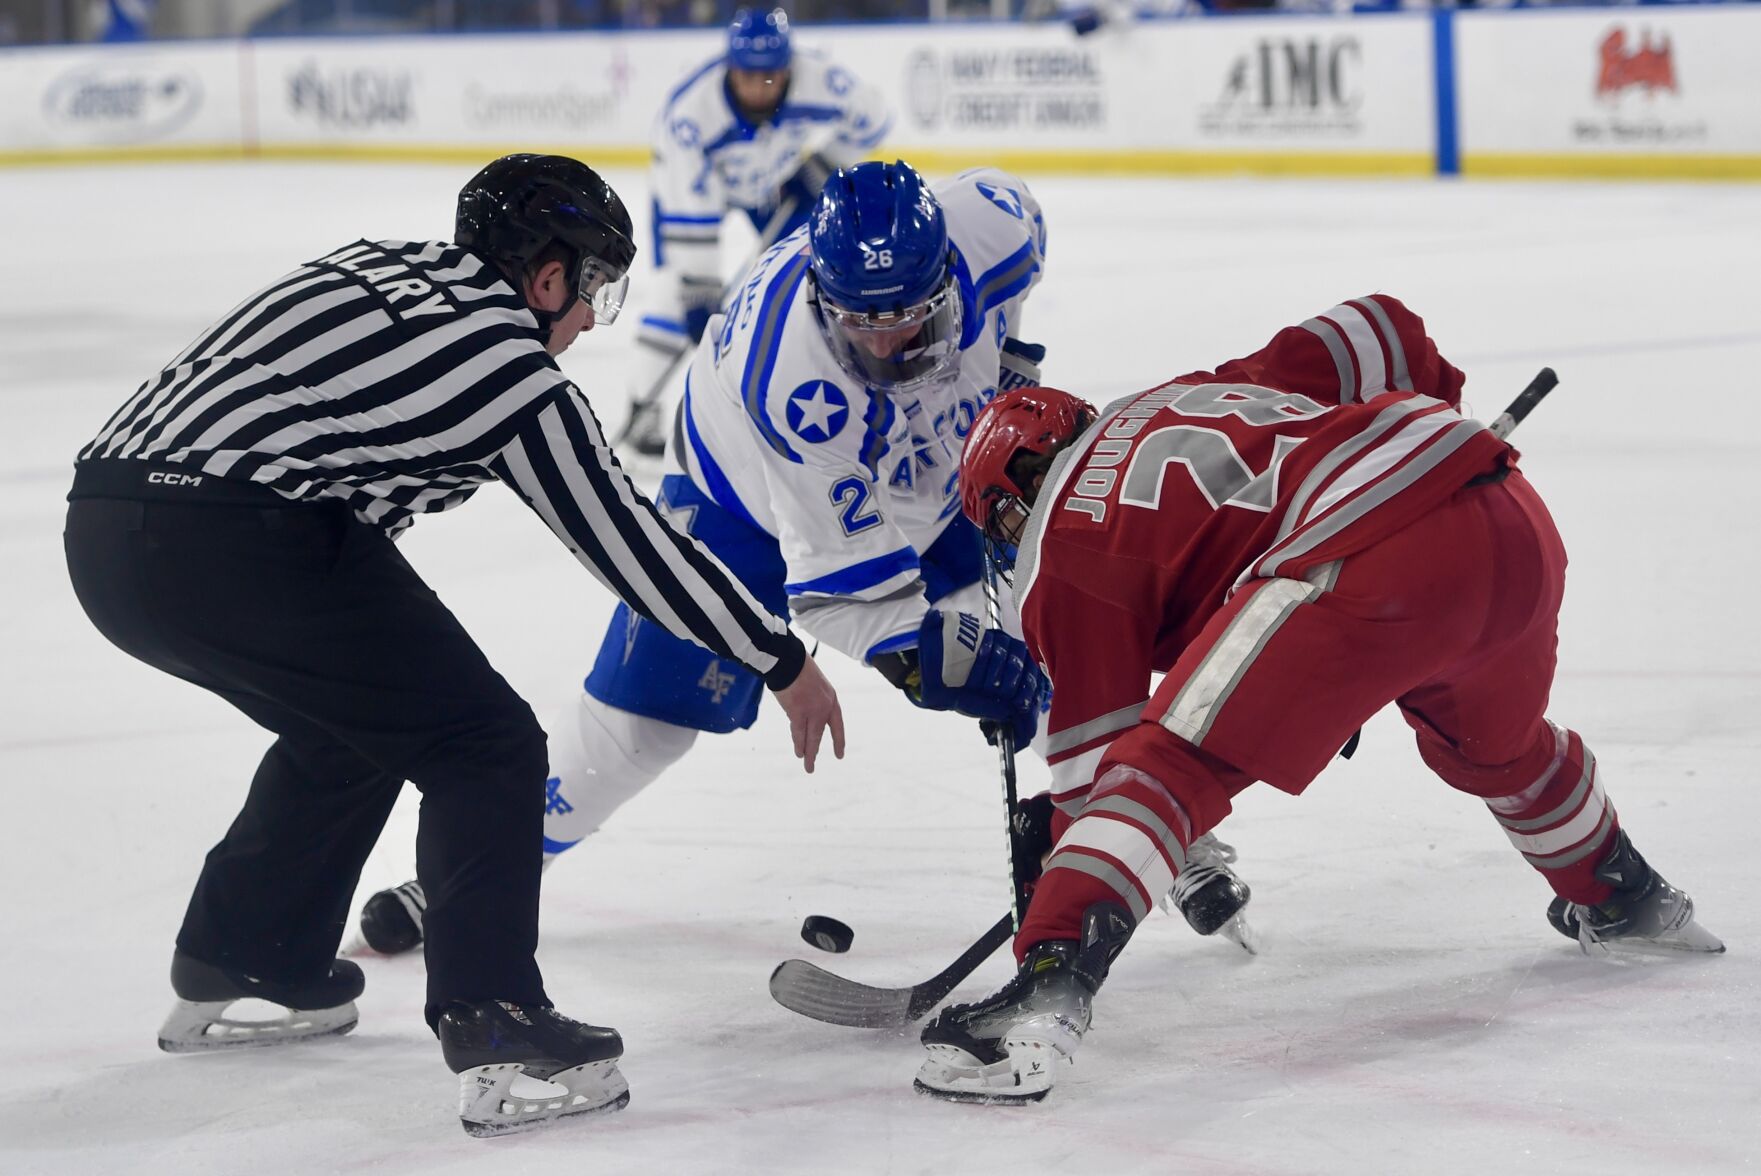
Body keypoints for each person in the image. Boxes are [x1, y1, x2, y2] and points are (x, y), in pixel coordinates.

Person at [62, 153, 845, 1138]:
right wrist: (778, 657)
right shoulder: (511, 371)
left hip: (104, 524)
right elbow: (632, 547)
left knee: (351, 727)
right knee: (485, 745)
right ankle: (497, 1024)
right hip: (242, 532)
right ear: (548, 276)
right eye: (592, 290)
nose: (586, 322)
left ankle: (248, 951)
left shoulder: (373, 264)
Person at [358, 159, 1254, 961]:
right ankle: (472, 874)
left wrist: (1010, 369)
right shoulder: (795, 385)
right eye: (860, 324)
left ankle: (1152, 827)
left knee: (1065, 623)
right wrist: (942, 661)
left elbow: (1011, 306)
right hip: (741, 500)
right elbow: (840, 599)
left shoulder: (995, 220)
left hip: (936, 467)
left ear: (946, 270)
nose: (886, 345)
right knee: (641, 728)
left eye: (907, 318)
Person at [916, 294, 1725, 1104]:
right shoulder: (1176, 395)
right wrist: (1433, 419)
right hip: (1499, 507)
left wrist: (1058, 852)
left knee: (1167, 767)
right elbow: (1376, 329)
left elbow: (1105, 775)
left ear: (1013, 503)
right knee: (1495, 748)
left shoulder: (1061, 540)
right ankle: (1630, 901)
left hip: (1357, 559)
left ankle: (1041, 999)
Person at [620, 5, 893, 456]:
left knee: (808, 275)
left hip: (774, 185)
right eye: (749, 75)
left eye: (772, 76)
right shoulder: (690, 118)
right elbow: (693, 213)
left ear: (789, 68)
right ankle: (641, 403)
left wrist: (824, 164)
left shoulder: (821, 80)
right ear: (731, 67)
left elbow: (874, 118)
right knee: (674, 292)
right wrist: (699, 289)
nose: (761, 87)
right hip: (693, 191)